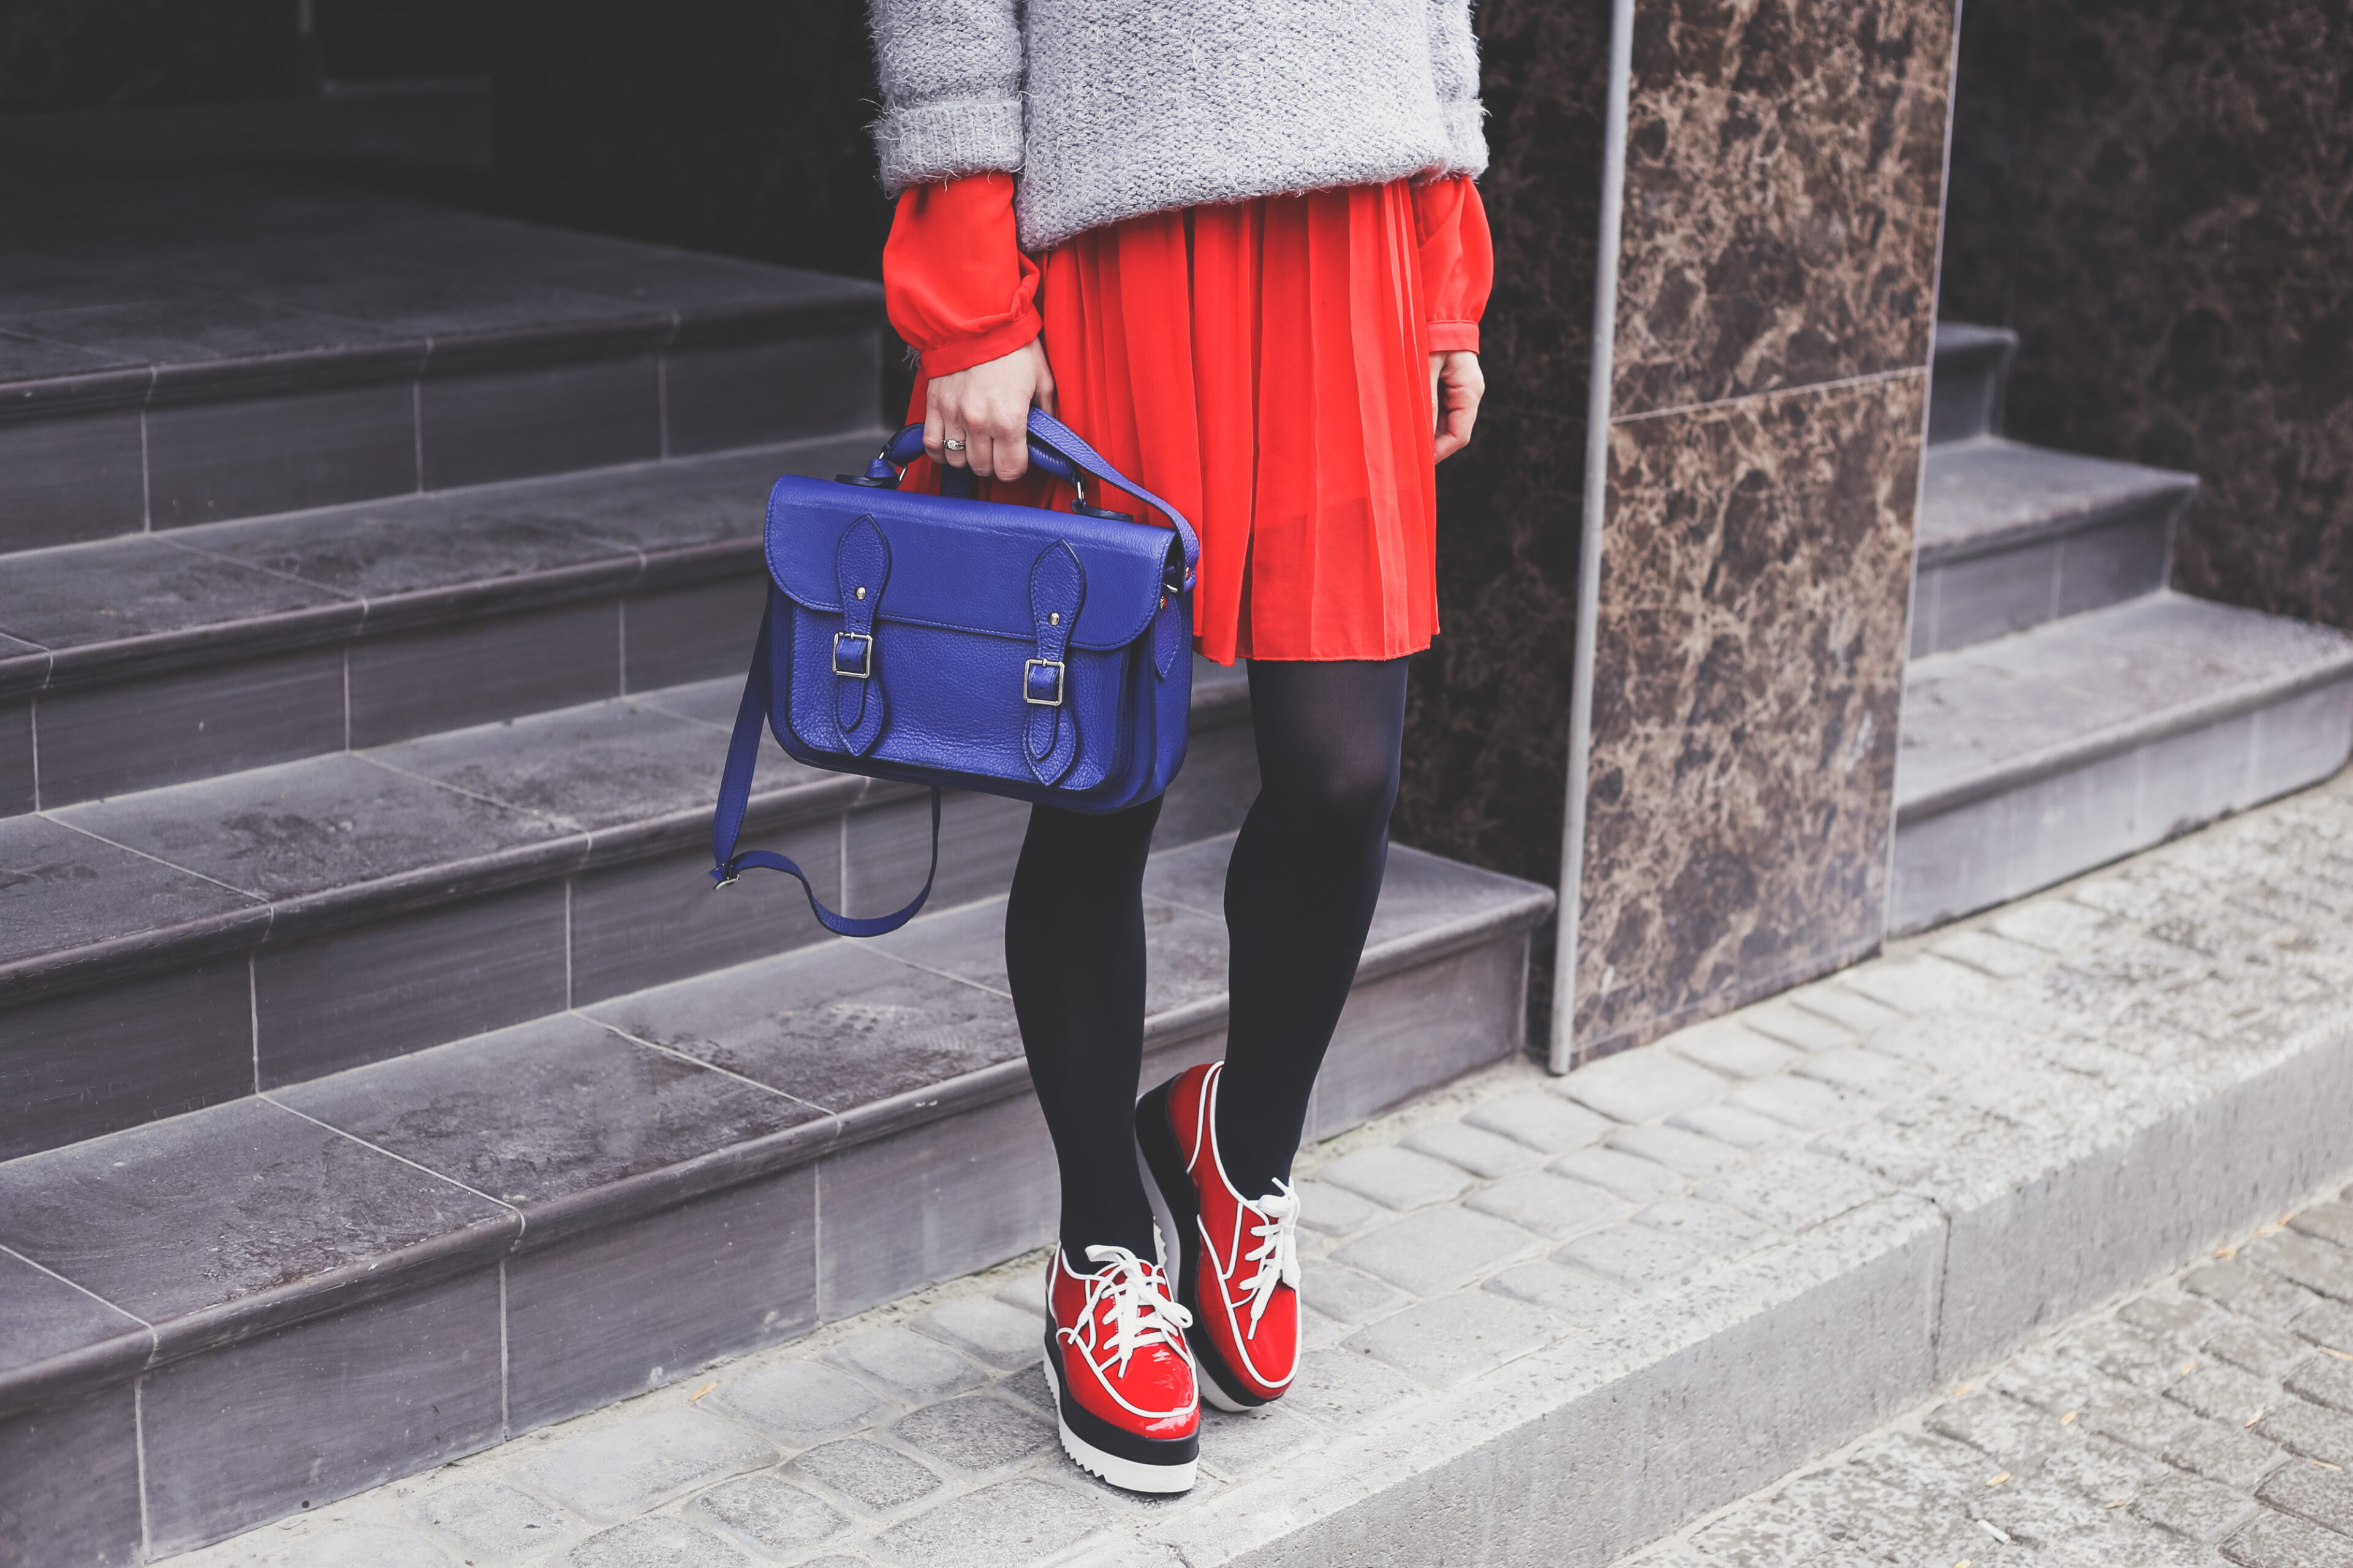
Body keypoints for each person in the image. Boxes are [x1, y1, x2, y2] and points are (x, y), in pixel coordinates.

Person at [867, 0, 1492, 1495]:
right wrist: (973, 303)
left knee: (1346, 771)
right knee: (1103, 785)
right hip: (1112, 232)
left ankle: (1240, 1144)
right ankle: (1098, 1241)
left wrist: (1443, 259)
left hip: (1351, 228)